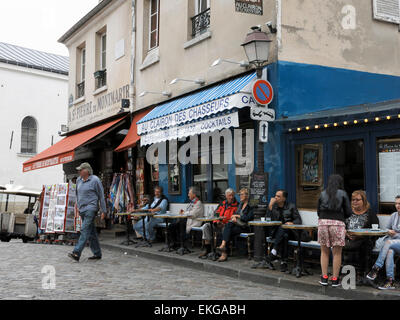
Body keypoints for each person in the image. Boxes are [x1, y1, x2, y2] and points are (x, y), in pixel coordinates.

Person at [317, 174, 352, 287]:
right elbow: (348, 211)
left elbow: (318, 211)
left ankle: (324, 277)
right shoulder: (343, 193)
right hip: (337, 223)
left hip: (323, 222)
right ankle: (335, 279)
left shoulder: (322, 193)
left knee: (324, 251)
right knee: (337, 253)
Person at [68, 162, 106, 262]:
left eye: (81, 170)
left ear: (87, 171)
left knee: (84, 230)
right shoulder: (79, 181)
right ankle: (97, 253)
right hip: (82, 210)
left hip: (91, 208)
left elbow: (101, 196)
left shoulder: (95, 180)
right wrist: (77, 205)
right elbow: (77, 194)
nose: (79, 171)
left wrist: (104, 210)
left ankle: (76, 253)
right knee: (91, 232)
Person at [366, 196, 400, 290]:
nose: (397, 205)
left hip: (393, 241)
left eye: (399, 203)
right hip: (395, 243)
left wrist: (395, 234)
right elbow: (387, 229)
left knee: (388, 242)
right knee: (390, 251)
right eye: (396, 203)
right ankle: (390, 281)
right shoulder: (394, 215)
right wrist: (389, 231)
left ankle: (375, 268)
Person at [344, 190, 378, 277]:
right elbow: (341, 226)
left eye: (357, 200)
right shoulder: (348, 212)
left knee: (363, 245)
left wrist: (360, 235)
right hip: (348, 238)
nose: (355, 202)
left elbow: (376, 229)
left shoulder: (370, 214)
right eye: (353, 200)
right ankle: (347, 272)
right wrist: (346, 234)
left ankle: (361, 273)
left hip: (364, 239)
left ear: (364, 201)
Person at [266, 189, 302, 272]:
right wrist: (270, 207)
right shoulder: (274, 206)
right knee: (284, 235)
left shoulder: (291, 206)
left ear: (284, 198)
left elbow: (298, 220)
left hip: (291, 232)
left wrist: (292, 223)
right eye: (275, 196)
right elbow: (267, 219)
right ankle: (283, 262)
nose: (275, 198)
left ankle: (274, 252)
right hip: (276, 232)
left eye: (278, 196)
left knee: (284, 229)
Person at [198, 188, 238, 259]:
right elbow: (216, 213)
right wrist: (217, 222)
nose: (231, 197)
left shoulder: (236, 205)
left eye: (232, 195)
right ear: (226, 196)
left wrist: (224, 223)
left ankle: (223, 252)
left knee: (224, 230)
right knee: (206, 226)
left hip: (227, 225)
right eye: (229, 195)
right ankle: (208, 249)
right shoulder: (222, 203)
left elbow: (234, 218)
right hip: (218, 223)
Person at [216, 188, 254, 262]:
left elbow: (248, 218)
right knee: (227, 228)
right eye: (239, 194)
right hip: (238, 225)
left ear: (247, 195)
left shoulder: (251, 205)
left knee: (226, 229)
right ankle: (223, 249)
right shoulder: (241, 204)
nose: (240, 196)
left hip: (245, 226)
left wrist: (237, 216)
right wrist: (234, 217)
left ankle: (223, 251)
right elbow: (235, 213)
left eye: (241, 194)